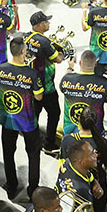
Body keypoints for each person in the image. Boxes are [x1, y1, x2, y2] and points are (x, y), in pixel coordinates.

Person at [0, 35, 43, 199]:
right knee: (33, 154)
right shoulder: (32, 73)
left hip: (8, 118)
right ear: (24, 51)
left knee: (8, 153)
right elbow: (38, 97)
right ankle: (33, 189)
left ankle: (11, 186)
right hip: (27, 120)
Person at [55, 139, 107, 212]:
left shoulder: (68, 163)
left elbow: (87, 174)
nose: (96, 155)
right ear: (80, 161)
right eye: (91, 154)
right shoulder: (81, 192)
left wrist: (94, 182)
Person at [25, 11, 65, 153]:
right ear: (40, 25)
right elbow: (58, 59)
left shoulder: (25, 37)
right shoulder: (44, 42)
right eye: (46, 22)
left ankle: (31, 138)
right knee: (54, 113)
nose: (48, 23)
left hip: (29, 85)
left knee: (34, 113)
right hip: (46, 86)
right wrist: (62, 53)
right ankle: (49, 144)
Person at [59, 49, 107, 135]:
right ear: (95, 64)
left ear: (80, 62)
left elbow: (63, 88)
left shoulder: (67, 79)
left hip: (70, 130)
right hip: (95, 131)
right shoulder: (104, 82)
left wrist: (70, 68)